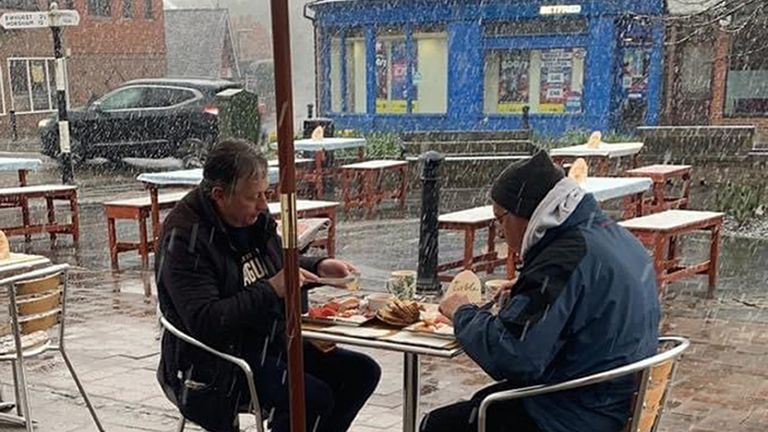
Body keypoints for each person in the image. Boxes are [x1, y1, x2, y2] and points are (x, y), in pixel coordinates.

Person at [424, 150, 660, 432]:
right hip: (610, 399)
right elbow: (581, 302)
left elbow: (512, 355)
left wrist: (462, 312)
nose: (499, 233)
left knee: (438, 425)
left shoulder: (563, 258)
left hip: (573, 415)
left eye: (500, 219)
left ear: (527, 214)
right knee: (481, 405)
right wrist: (528, 291)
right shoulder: (610, 234)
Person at [156, 139, 381, 432]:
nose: (263, 205)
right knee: (312, 399)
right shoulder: (185, 237)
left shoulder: (252, 218)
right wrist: (272, 289)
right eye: (254, 197)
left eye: (265, 193)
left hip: (269, 340)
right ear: (219, 195)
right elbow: (206, 321)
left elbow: (277, 265)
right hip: (216, 361)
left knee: (361, 372)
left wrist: (317, 266)